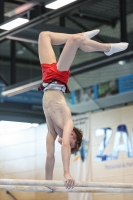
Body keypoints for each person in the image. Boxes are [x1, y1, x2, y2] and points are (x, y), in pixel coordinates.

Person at [38, 30, 128, 192]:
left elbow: (50, 157)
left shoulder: (51, 132)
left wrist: (48, 182)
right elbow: (65, 143)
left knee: (44, 35)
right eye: (73, 137)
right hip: (58, 77)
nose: (69, 137)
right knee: (74, 39)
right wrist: (67, 172)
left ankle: (83, 37)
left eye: (71, 141)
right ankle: (107, 48)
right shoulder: (68, 122)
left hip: (46, 78)